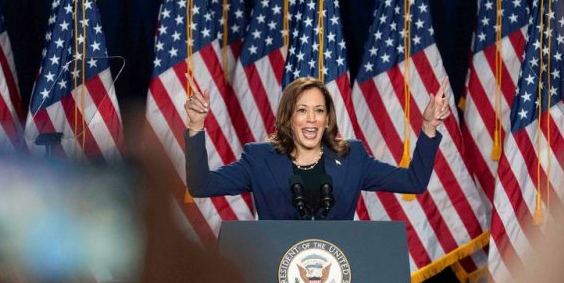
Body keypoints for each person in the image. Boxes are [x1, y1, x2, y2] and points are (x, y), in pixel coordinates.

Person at [183, 77, 451, 220]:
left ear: (327, 119)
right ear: (288, 118)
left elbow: (414, 182)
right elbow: (201, 185)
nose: (312, 119)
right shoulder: (259, 159)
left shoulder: (352, 157)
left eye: (319, 111)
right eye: (302, 110)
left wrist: (428, 127)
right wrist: (196, 127)